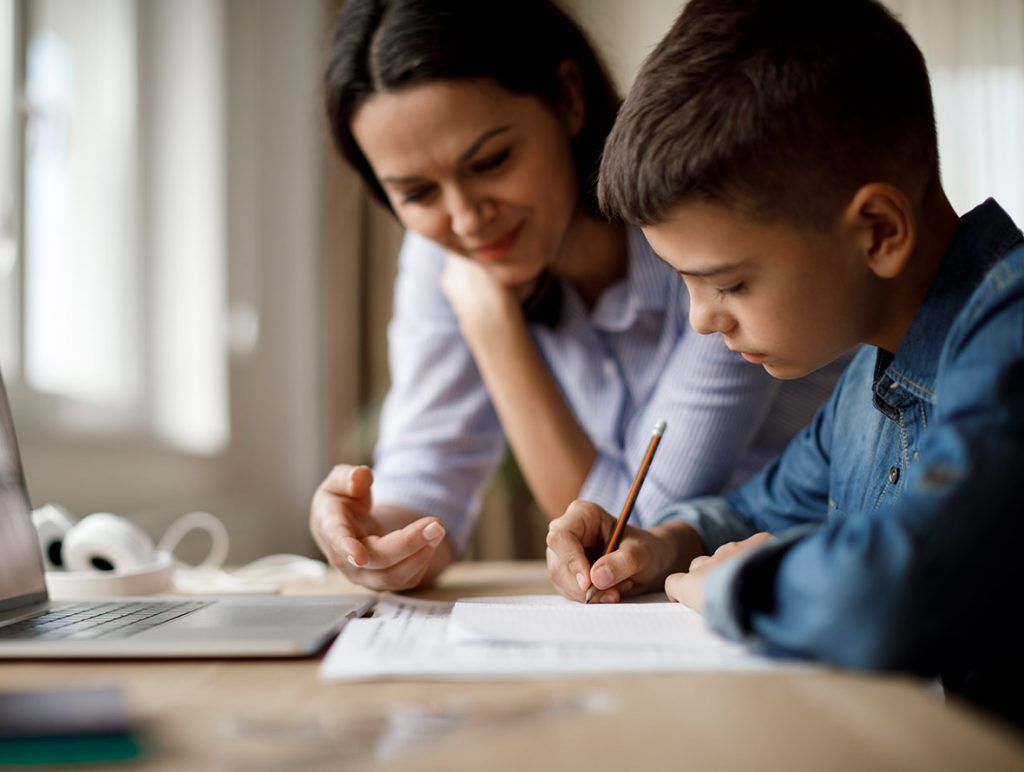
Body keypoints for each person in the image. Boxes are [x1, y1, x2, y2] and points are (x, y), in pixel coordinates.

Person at [545, 0, 1024, 725]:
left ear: (878, 230)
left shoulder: (1009, 334)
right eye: (684, 281)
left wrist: (737, 587)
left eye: (730, 282)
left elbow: (898, 591)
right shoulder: (866, 377)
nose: (702, 321)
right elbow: (754, 509)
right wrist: (663, 543)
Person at [312, 0, 843, 593]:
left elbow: (630, 529)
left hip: (804, 577)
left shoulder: (708, 237)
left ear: (568, 98)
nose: (465, 219)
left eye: (491, 161)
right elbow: (427, 477)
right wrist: (370, 536)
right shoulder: (445, 252)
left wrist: (492, 326)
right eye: (415, 192)